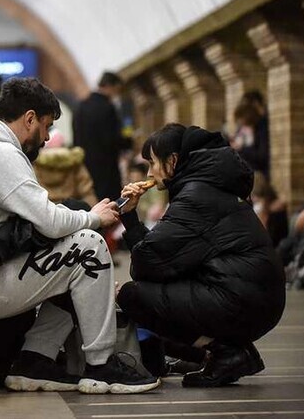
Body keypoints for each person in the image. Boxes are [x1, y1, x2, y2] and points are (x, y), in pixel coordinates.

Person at [0, 77, 159, 394]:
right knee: (89, 246)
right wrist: (93, 218)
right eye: (46, 126)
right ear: (29, 118)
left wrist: (89, 215)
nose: (47, 136)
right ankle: (101, 366)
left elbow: (44, 220)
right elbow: (49, 220)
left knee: (71, 251)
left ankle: (34, 361)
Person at [116, 124, 285, 387]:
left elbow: (148, 263)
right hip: (252, 295)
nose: (149, 173)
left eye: (152, 163)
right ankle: (214, 353)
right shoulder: (208, 187)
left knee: (133, 296)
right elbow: (166, 261)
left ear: (172, 161)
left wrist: (129, 217)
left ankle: (227, 352)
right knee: (153, 291)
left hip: (242, 300)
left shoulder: (197, 196)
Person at [73, 72, 131, 202]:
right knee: (109, 205)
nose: (117, 94)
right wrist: (128, 142)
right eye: (118, 90)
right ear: (111, 86)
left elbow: (76, 139)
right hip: (106, 169)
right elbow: (111, 139)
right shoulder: (107, 108)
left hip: (86, 167)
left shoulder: (81, 107)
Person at [32, 136, 98, 207]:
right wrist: (94, 213)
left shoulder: (36, 165)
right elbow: (87, 193)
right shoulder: (75, 163)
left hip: (45, 210)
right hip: (73, 212)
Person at [232, 92, 270, 178]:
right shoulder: (242, 130)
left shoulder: (262, 129)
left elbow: (262, 156)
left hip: (257, 173)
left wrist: (241, 149)